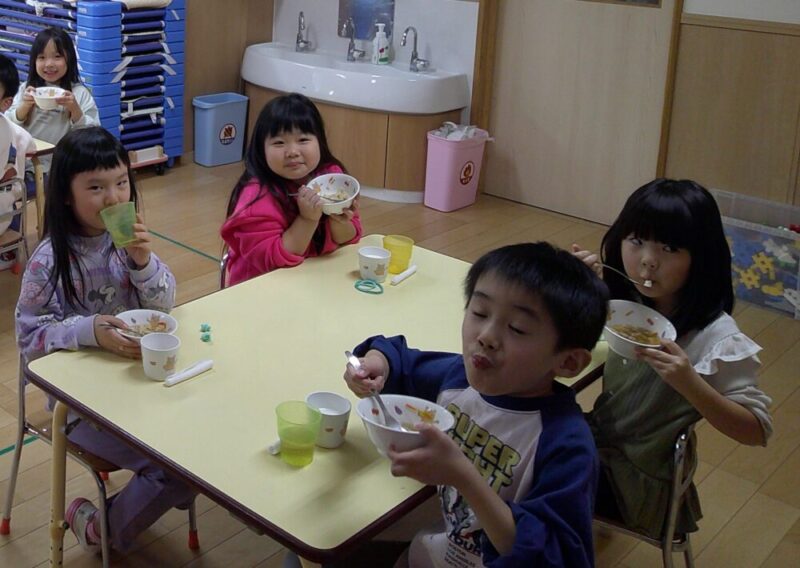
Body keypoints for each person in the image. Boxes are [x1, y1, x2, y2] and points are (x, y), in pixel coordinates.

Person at [343, 242, 610, 567]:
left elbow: (553, 558)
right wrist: (378, 364)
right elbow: (400, 359)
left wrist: (464, 477)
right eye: (480, 312)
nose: (486, 336)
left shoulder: (565, 445)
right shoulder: (460, 380)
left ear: (568, 362)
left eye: (517, 328)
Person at [15, 126, 194, 553]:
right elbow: (29, 338)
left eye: (121, 183)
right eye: (96, 188)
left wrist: (143, 263)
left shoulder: (125, 242)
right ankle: (99, 529)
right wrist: (88, 330)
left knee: (197, 448)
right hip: (79, 408)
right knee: (174, 472)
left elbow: (163, 307)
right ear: (65, 194)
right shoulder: (48, 261)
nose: (113, 198)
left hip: (137, 385)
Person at [572, 178, 773, 540]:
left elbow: (756, 430)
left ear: (702, 258)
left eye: (669, 248)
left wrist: (689, 383)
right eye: (636, 241)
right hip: (598, 443)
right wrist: (581, 286)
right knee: (517, 422)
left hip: (635, 482)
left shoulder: (716, 338)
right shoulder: (631, 304)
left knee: (523, 459)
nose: (648, 261)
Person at [220, 93, 362, 285]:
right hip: (261, 288)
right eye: (279, 143)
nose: (293, 152)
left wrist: (339, 220)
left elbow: (348, 240)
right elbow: (273, 264)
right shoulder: (256, 197)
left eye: (303, 140)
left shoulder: (331, 179)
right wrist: (307, 219)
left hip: (316, 281)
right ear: (261, 149)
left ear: (319, 141)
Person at [7, 27, 99, 176]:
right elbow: (7, 125)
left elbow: (93, 135)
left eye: (57, 56)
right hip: (26, 164)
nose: (49, 64)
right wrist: (24, 107)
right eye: (42, 57)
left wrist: (75, 110)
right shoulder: (27, 90)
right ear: (34, 61)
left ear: (69, 59)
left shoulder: (79, 93)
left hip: (64, 168)